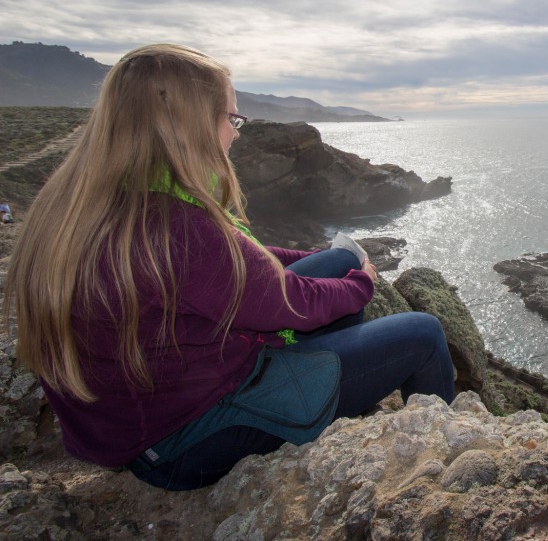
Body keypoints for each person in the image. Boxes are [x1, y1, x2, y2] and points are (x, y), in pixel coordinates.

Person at [2, 44, 455, 491]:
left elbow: (239, 262)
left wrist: (329, 265)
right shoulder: (173, 225)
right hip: (184, 442)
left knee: (336, 260)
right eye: (231, 119)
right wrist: (361, 284)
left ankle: (333, 394)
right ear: (191, 123)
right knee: (423, 333)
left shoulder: (100, 198)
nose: (236, 133)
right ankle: (444, 459)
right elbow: (287, 304)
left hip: (145, 419)